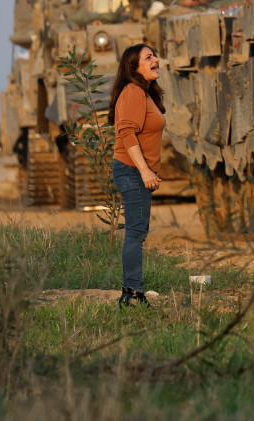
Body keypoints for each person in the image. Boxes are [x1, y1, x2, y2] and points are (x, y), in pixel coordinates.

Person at [108, 43, 166, 308]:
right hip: (131, 170)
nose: (156, 59)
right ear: (134, 67)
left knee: (137, 231)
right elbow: (126, 133)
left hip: (134, 171)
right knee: (135, 233)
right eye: (148, 57)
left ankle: (133, 292)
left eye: (154, 55)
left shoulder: (143, 93)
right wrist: (144, 171)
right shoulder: (132, 91)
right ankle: (132, 295)